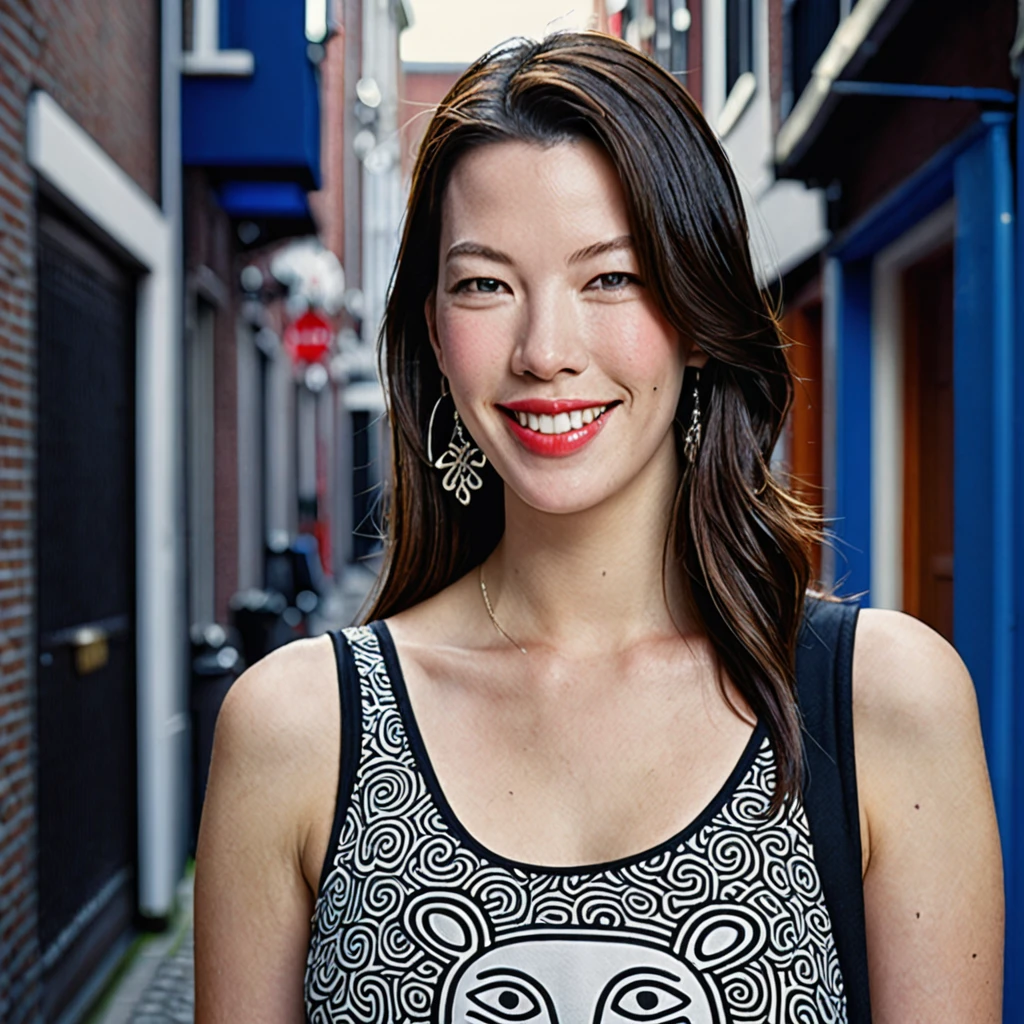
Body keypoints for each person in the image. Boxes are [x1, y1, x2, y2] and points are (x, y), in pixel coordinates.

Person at [194, 31, 1003, 1024]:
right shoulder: (295, 728)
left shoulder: (880, 705)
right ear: (434, 334)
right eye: (485, 282)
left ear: (698, 316)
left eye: (610, 277)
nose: (543, 350)